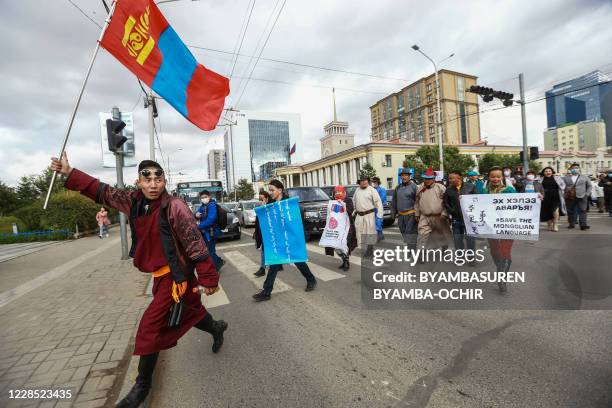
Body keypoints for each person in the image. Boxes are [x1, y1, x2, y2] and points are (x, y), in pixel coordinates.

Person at [50, 154, 227, 408]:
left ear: (165, 181)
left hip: (175, 278)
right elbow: (103, 191)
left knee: (149, 327)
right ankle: (217, 328)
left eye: (158, 179)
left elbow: (195, 244)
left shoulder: (175, 206)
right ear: (139, 182)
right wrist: (69, 172)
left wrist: (209, 278)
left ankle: (142, 386)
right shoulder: (132, 201)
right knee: (192, 311)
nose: (153, 184)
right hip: (159, 277)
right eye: (148, 179)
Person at [252, 179, 317, 301]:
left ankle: (311, 279)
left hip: (289, 238)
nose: (270, 192)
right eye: (269, 190)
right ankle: (266, 292)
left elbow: (296, 221)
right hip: (277, 240)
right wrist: (264, 208)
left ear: (280, 190)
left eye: (272, 190)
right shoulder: (270, 205)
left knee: (298, 261)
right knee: (274, 265)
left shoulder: (288, 204)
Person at [478, 166, 516, 292]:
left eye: (498, 176)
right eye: (492, 176)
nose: (495, 179)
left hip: (508, 225)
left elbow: (523, 204)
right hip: (490, 226)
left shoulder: (510, 190)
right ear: (488, 177)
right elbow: (476, 204)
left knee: (505, 251)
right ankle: (500, 270)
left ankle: (502, 279)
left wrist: (537, 199)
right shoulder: (484, 192)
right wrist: (464, 200)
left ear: (502, 177)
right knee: (495, 251)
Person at [414, 166, 452, 251]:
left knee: (441, 234)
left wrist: (445, 213)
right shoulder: (420, 188)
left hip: (439, 216)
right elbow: (417, 202)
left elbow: (447, 202)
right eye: (425, 178)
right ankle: (420, 254)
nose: (427, 180)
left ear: (433, 178)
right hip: (424, 216)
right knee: (422, 236)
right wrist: (417, 213)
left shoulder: (440, 187)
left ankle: (444, 246)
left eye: (429, 178)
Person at [322, 186, 357, 271]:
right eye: (336, 192)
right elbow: (331, 213)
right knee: (336, 247)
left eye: (339, 192)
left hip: (346, 227)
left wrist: (342, 204)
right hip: (335, 228)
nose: (337, 194)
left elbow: (350, 211)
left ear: (344, 193)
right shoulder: (332, 202)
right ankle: (344, 260)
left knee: (344, 245)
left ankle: (346, 262)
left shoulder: (348, 200)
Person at [443, 171, 476, 253]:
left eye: (452, 178)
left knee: (470, 239)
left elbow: (477, 200)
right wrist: (452, 211)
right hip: (456, 219)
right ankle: (460, 256)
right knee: (457, 239)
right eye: (449, 178)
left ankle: (471, 257)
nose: (450, 180)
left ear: (459, 178)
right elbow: (446, 202)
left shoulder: (471, 187)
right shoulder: (448, 189)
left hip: (469, 219)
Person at [352, 176, 384, 258]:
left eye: (365, 180)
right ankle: (366, 249)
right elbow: (354, 201)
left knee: (370, 233)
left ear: (368, 181)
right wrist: (354, 211)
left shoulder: (372, 190)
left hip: (369, 215)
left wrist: (379, 216)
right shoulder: (357, 190)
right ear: (359, 182)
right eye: (362, 181)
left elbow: (378, 203)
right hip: (359, 215)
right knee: (360, 234)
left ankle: (370, 251)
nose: (364, 182)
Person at [195, 190, 225, 270]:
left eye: (205, 197)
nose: (203, 199)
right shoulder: (203, 206)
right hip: (205, 232)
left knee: (210, 251)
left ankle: (216, 266)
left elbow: (211, 219)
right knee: (209, 251)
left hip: (211, 232)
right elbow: (196, 212)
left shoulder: (212, 206)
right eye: (202, 198)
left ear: (209, 197)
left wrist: (199, 226)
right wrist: (196, 215)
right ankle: (218, 262)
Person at [391, 168, 418, 249]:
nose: (404, 177)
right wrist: (393, 212)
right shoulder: (398, 188)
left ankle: (412, 249)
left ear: (409, 176)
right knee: (404, 233)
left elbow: (418, 201)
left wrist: (418, 214)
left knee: (409, 232)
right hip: (400, 216)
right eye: (402, 175)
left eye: (406, 175)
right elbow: (394, 201)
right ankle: (411, 247)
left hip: (411, 215)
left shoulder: (414, 187)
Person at [562, 163, 592, 230]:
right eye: (573, 168)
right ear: (570, 169)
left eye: (576, 168)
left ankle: (583, 225)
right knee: (570, 211)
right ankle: (571, 224)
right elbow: (562, 186)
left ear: (579, 169)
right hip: (570, 196)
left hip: (582, 196)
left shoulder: (584, 177)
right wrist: (565, 193)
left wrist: (587, 194)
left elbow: (589, 186)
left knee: (583, 210)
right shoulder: (565, 178)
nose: (575, 169)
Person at [539, 167, 566, 232]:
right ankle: (549, 224)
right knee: (546, 211)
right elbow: (537, 187)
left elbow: (563, 185)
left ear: (552, 172)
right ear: (543, 172)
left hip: (555, 196)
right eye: (546, 171)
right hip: (545, 196)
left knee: (555, 210)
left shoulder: (557, 178)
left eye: (549, 171)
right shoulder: (540, 179)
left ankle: (555, 224)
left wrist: (561, 189)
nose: (548, 172)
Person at [253, 190, 270, 277]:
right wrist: (256, 233)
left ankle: (265, 268)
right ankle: (262, 268)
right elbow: (257, 224)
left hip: (270, 235)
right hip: (263, 235)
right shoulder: (259, 210)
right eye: (259, 199)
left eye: (262, 199)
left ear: (267, 199)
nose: (260, 201)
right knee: (263, 251)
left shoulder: (270, 209)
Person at [371, 177, 387, 241]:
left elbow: (381, 199)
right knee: (374, 223)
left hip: (379, 208)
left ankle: (379, 236)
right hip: (372, 209)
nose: (374, 183)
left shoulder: (382, 189)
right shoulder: (371, 190)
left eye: (375, 182)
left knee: (378, 222)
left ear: (378, 182)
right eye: (373, 182)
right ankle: (380, 235)